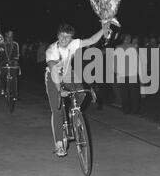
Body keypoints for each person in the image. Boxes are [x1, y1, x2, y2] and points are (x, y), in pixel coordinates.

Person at [45, 22, 118, 157]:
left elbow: (91, 40)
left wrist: (104, 29)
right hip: (52, 75)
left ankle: (74, 114)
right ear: (57, 36)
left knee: (83, 94)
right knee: (58, 109)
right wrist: (60, 90)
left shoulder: (73, 43)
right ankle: (59, 144)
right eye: (62, 36)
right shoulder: (51, 50)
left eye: (68, 37)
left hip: (67, 73)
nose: (65, 40)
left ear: (72, 38)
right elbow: (54, 69)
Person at [0, 30, 20, 99]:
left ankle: (15, 94)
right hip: (3, 63)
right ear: (5, 37)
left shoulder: (15, 44)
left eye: (11, 37)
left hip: (13, 63)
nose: (9, 38)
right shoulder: (0, 44)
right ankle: (2, 89)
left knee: (14, 77)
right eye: (8, 37)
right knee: (0, 75)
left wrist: (15, 61)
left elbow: (17, 55)